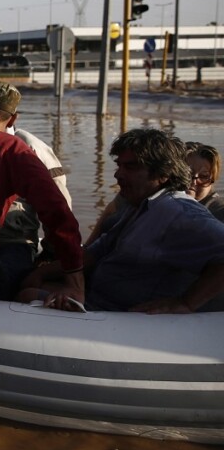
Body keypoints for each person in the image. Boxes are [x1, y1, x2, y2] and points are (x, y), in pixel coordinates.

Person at [18, 128, 224, 314]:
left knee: (27, 296)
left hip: (116, 313)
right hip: (96, 296)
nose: (118, 174)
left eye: (131, 167)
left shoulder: (177, 212)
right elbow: (95, 253)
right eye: (119, 165)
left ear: (163, 174)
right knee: (26, 284)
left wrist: (186, 303)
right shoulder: (140, 205)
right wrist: (43, 271)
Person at [0, 82, 83, 299]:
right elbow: (58, 209)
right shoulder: (13, 149)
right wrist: (72, 276)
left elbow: (56, 205)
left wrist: (50, 252)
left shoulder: (26, 147)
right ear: (13, 117)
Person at [185, 142, 224, 221]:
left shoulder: (220, 211)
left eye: (204, 176)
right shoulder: (162, 204)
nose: (194, 182)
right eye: (188, 174)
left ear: (213, 178)